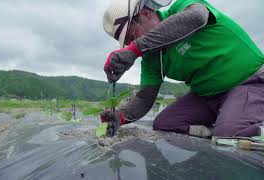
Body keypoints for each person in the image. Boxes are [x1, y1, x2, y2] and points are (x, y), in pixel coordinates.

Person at [100, 0, 264, 138]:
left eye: (132, 36)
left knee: (229, 133)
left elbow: (197, 17)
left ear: (145, 14)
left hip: (249, 81)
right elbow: (144, 98)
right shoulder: (151, 58)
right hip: (208, 97)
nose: (131, 43)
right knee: (165, 124)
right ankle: (218, 130)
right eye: (128, 43)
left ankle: (234, 127)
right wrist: (121, 116)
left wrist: (135, 49)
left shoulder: (182, 8)